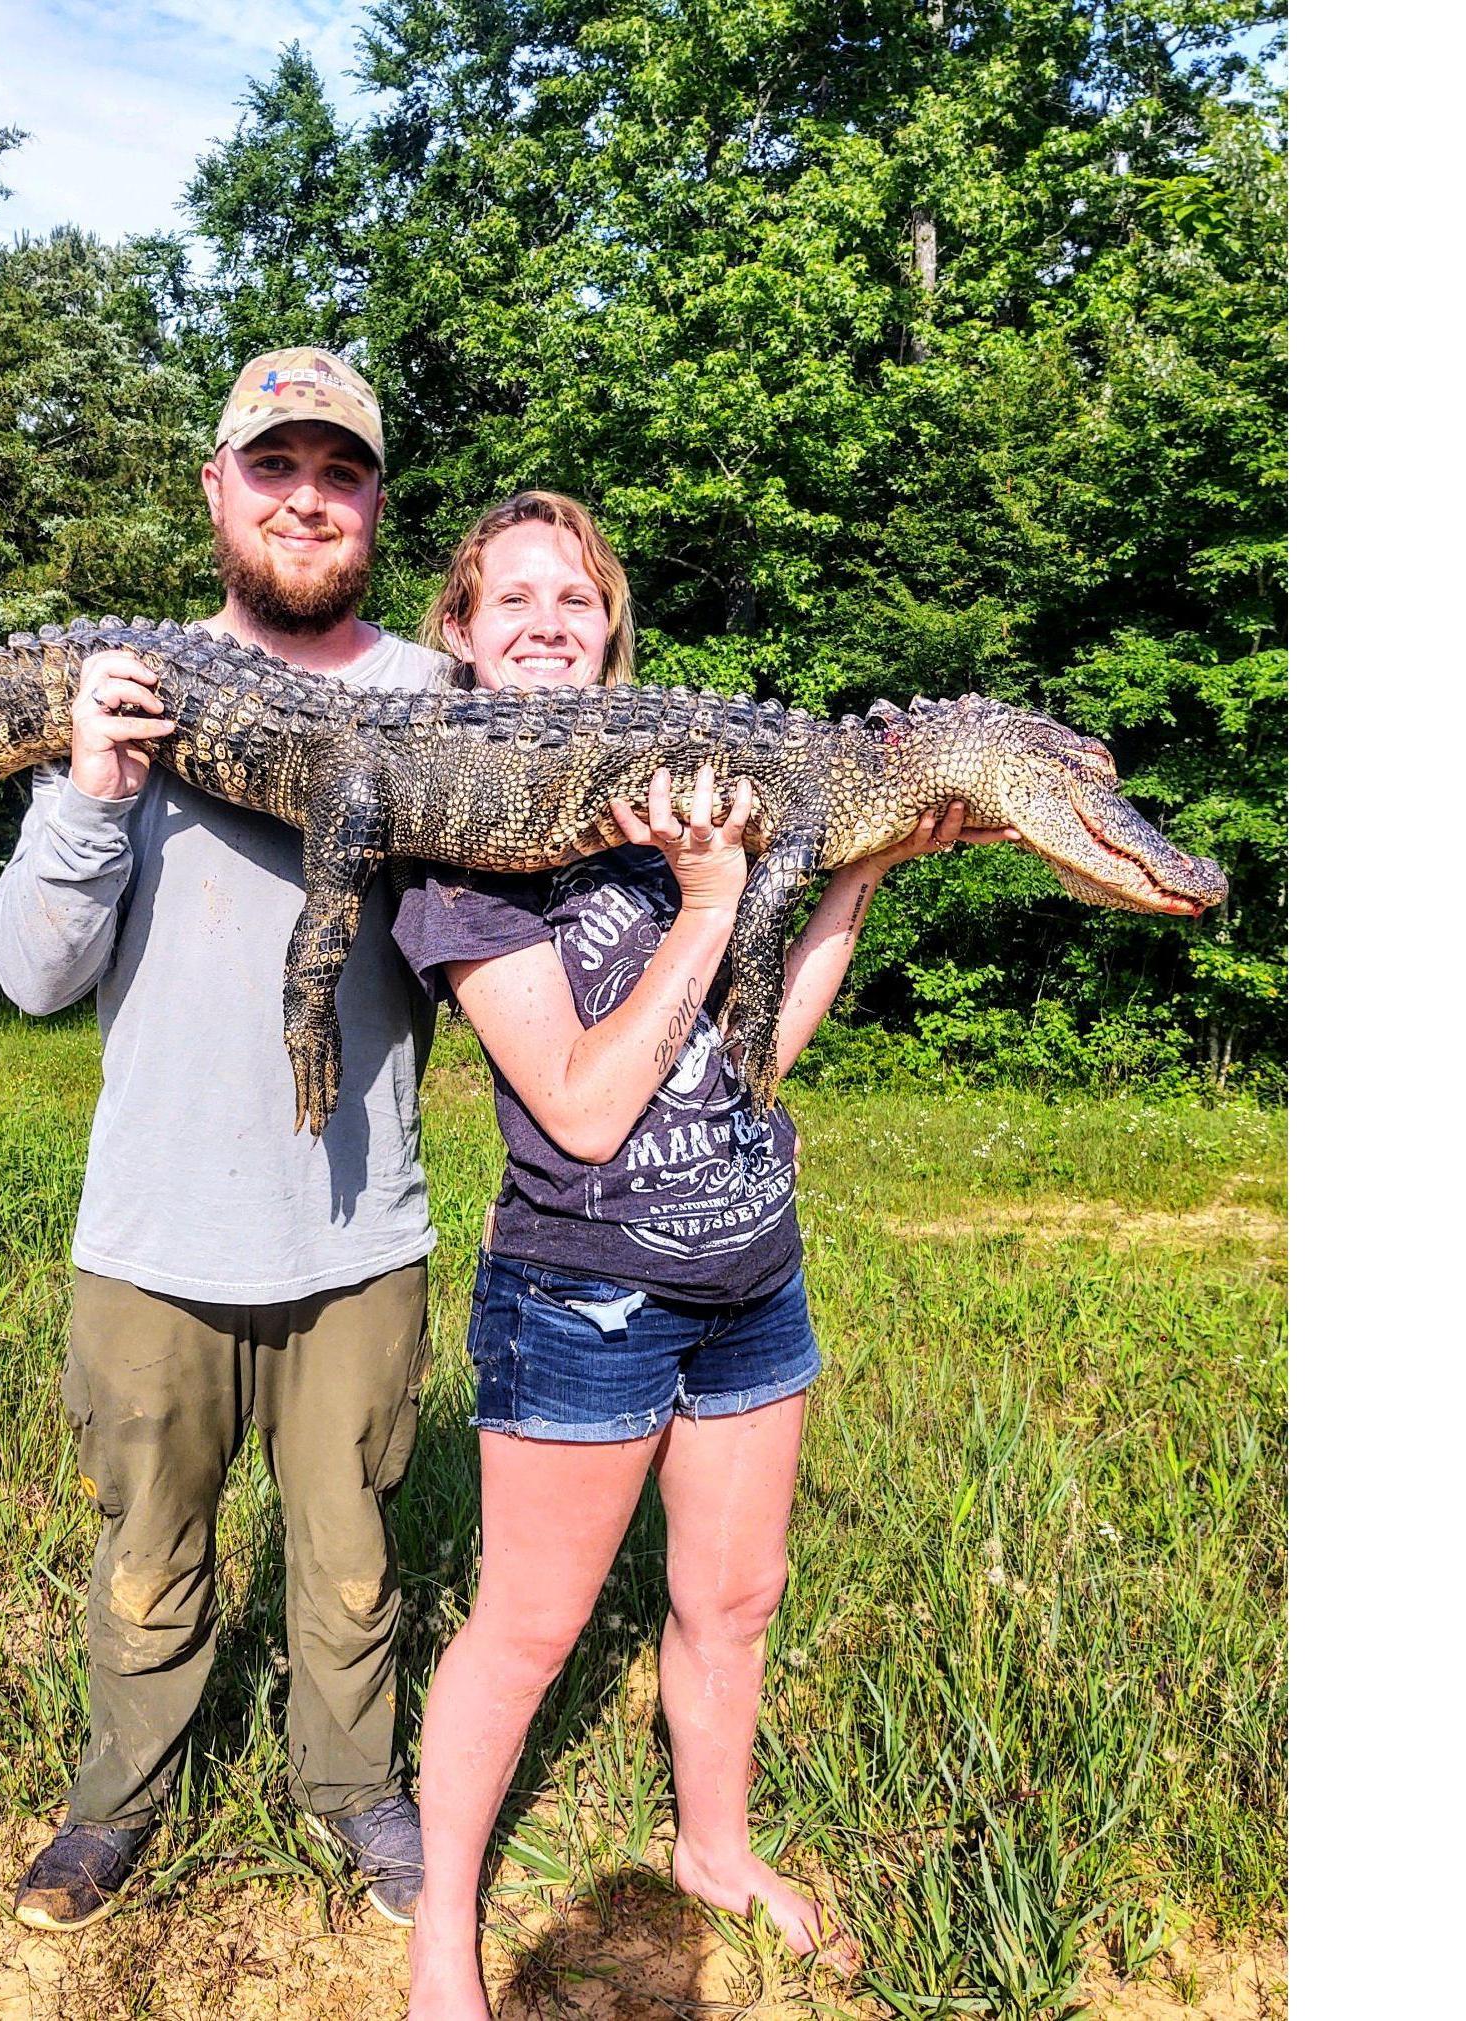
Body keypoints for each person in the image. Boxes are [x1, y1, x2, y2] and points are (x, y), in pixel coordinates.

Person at [390, 492, 1016, 2017]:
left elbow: (758, 1062)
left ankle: (713, 1850)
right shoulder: (460, 847)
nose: (549, 618)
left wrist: (854, 874)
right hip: (583, 1290)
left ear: (611, 632)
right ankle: (439, 1933)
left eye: (577, 599)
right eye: (513, 599)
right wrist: (715, 899)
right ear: (460, 639)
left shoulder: (699, 797)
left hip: (751, 1274)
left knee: (734, 1596)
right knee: (528, 1627)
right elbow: (589, 1111)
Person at [0, 348, 449, 1933]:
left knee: (347, 1558)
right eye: (276, 466)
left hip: (355, 1227)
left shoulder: (444, 699)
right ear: (219, 487)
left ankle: (358, 1791)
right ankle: (115, 1797)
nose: (305, 496)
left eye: (338, 470)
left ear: (374, 501)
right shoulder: (129, 685)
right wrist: (92, 786)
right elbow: (32, 978)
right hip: (155, 1230)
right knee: (147, 1550)